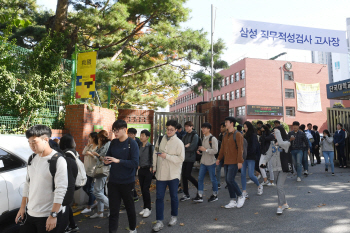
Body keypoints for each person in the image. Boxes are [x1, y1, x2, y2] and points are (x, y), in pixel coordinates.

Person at [16, 125, 69, 233]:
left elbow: (61, 189)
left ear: (46, 139)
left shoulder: (58, 160)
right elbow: (27, 184)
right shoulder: (32, 158)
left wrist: (53, 215)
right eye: (29, 142)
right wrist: (22, 208)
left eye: (34, 142)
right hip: (30, 213)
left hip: (47, 215)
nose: (31, 146)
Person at [104, 120, 139, 233]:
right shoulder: (113, 142)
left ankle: (133, 229)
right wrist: (106, 160)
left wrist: (118, 161)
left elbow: (135, 163)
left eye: (117, 130)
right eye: (113, 130)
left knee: (129, 207)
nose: (115, 133)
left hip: (127, 182)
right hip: (114, 181)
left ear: (125, 129)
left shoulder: (131, 143)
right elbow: (108, 157)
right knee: (113, 210)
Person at [152, 120, 185, 232]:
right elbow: (155, 153)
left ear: (176, 130)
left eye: (171, 129)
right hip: (161, 173)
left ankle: (173, 216)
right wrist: (154, 166)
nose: (169, 131)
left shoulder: (179, 143)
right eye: (167, 129)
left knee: (173, 196)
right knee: (159, 197)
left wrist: (167, 156)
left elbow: (181, 159)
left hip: (173, 174)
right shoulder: (160, 139)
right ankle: (159, 221)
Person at [216, 117, 246, 209]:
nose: (225, 124)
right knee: (228, 181)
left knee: (230, 180)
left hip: (234, 161)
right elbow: (222, 148)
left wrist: (240, 161)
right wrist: (219, 159)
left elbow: (241, 149)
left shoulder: (237, 134)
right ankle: (232, 200)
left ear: (232, 123)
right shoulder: (225, 134)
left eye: (226, 122)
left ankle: (240, 196)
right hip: (226, 161)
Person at [260, 126, 291, 215]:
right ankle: (285, 203)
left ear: (280, 133)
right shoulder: (272, 143)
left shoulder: (286, 143)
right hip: (275, 168)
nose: (273, 134)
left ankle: (280, 206)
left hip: (284, 168)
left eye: (275, 132)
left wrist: (277, 132)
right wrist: (264, 162)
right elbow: (269, 154)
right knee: (279, 187)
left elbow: (280, 142)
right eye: (273, 133)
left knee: (279, 187)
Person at [193, 123, 219, 203]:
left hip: (211, 162)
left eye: (205, 128)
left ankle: (215, 195)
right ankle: (200, 196)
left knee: (213, 179)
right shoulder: (203, 138)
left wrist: (205, 150)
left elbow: (215, 150)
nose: (203, 129)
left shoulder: (213, 139)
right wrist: (200, 152)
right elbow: (205, 151)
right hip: (203, 162)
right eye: (202, 128)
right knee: (200, 178)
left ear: (209, 129)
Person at [59, 134, 79, 233]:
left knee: (65, 206)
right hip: (70, 183)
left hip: (67, 184)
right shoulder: (72, 152)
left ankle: (67, 226)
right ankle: (72, 225)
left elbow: (71, 171)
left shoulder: (67, 154)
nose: (74, 142)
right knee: (67, 206)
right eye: (73, 140)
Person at [90, 130, 111, 218]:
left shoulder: (108, 145)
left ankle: (112, 207)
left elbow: (105, 158)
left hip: (103, 169)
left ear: (101, 138)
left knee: (97, 191)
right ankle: (100, 211)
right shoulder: (103, 145)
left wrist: (97, 155)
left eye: (99, 138)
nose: (98, 139)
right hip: (100, 169)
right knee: (100, 190)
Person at [241, 121, 263, 198]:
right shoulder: (244, 135)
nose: (245, 128)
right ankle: (244, 191)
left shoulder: (253, 135)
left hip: (251, 157)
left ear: (249, 127)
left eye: (246, 127)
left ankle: (259, 186)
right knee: (243, 174)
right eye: (244, 127)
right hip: (244, 157)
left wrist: (248, 153)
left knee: (251, 174)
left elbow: (254, 147)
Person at [180, 121, 199, 201]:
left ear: (192, 126)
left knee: (187, 175)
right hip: (184, 158)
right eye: (185, 126)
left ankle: (199, 187)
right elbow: (181, 147)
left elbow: (192, 148)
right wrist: (186, 146)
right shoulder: (184, 136)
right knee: (183, 176)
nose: (187, 128)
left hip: (191, 158)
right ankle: (186, 194)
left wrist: (186, 147)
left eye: (188, 126)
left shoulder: (195, 136)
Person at [81, 132, 99, 214]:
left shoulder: (98, 147)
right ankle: (95, 201)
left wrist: (91, 155)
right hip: (86, 170)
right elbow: (83, 153)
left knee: (90, 189)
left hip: (92, 171)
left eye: (90, 138)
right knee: (85, 187)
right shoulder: (90, 146)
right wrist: (87, 146)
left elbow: (98, 159)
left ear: (94, 138)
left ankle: (89, 206)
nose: (89, 139)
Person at [138, 130, 154, 218]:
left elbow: (153, 157)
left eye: (143, 136)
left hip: (148, 170)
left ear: (147, 137)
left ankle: (148, 208)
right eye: (141, 135)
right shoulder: (139, 145)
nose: (141, 137)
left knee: (145, 189)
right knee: (142, 189)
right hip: (141, 169)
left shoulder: (151, 146)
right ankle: (145, 207)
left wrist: (152, 166)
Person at [128, 127, 141, 202]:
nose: (130, 135)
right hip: (127, 162)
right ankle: (133, 195)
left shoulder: (138, 142)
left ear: (135, 134)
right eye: (129, 133)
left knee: (131, 178)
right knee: (130, 179)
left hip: (134, 163)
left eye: (131, 134)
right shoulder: (126, 140)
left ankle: (134, 195)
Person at [216, 122, 226, 189]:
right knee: (218, 169)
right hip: (220, 155)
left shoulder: (228, 135)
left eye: (222, 127)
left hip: (227, 155)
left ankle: (228, 183)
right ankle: (218, 183)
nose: (221, 128)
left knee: (226, 170)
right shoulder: (220, 135)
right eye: (221, 127)